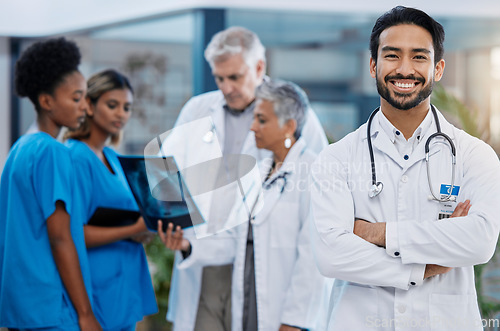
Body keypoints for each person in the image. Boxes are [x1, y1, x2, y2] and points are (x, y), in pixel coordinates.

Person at [310, 6, 500, 330]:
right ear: (373, 65)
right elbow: (331, 254)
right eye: (392, 55)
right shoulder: (336, 159)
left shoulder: (473, 155)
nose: (404, 69)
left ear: (438, 68)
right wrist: (423, 267)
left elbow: (479, 241)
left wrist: (376, 232)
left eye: (419, 57)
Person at [162, 26, 328, 331]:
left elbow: (318, 196)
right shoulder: (197, 110)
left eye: (235, 77)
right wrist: (175, 226)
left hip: (267, 264)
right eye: (219, 78)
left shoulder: (294, 111)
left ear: (259, 67)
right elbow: (169, 177)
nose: (226, 87)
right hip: (206, 263)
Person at [0, 38, 101, 330]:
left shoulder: (20, 148)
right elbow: (60, 237)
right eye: (76, 98)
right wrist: (85, 313)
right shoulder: (53, 152)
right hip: (52, 309)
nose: (86, 107)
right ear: (47, 102)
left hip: (21, 307)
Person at [64, 69, 158, 330]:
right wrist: (134, 228)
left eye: (127, 107)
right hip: (97, 285)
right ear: (90, 106)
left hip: (124, 281)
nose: (121, 114)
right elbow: (73, 234)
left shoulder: (114, 158)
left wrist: (145, 229)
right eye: (112, 105)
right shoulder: (77, 157)